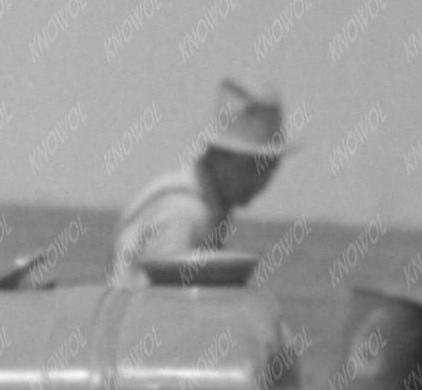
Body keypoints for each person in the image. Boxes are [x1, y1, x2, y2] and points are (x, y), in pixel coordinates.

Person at [110, 77, 292, 280]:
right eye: (254, 167)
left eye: (270, 169)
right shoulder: (184, 213)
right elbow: (167, 296)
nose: (262, 181)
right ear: (221, 157)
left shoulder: (205, 206)